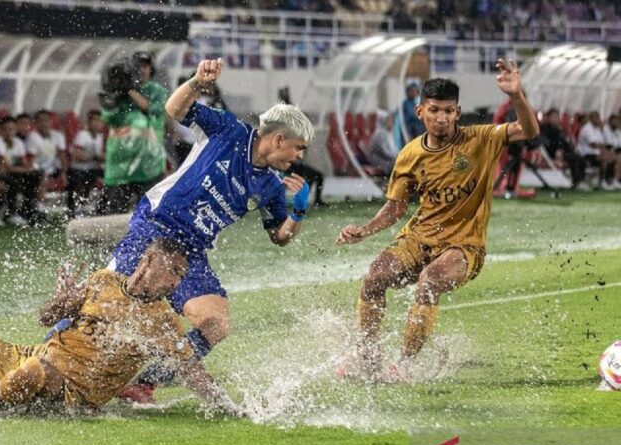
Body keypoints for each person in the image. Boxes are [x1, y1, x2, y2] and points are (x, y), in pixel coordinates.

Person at [111, 57, 314, 403]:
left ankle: (144, 383)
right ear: (279, 139)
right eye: (298, 149)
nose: (297, 158)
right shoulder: (229, 130)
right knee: (110, 301)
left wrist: (297, 211)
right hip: (155, 227)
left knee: (216, 324)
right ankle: (51, 356)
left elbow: (279, 237)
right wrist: (196, 82)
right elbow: (175, 110)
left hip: (191, 252)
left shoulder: (270, 185)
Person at [335, 59, 540, 382]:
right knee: (374, 277)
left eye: (448, 111)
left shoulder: (481, 139)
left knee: (429, 281)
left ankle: (403, 365)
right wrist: (365, 229)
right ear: (420, 113)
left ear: (457, 113)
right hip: (418, 239)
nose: (441, 118)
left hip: (464, 246)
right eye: (434, 110)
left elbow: (528, 130)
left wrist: (516, 96)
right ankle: (367, 356)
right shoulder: (410, 155)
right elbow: (395, 208)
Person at [0, 239, 240, 416]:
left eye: (179, 276)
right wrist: (59, 303)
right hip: (32, 357)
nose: (175, 281)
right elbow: (46, 319)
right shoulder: (103, 280)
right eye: (173, 271)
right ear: (147, 261)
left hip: (74, 392)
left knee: (34, 371)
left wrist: (227, 406)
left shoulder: (163, 320)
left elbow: (190, 369)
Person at [99, 51, 168, 215]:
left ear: (151, 69)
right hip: (119, 168)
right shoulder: (118, 93)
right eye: (137, 66)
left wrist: (130, 91)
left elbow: (153, 109)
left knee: (152, 215)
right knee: (113, 215)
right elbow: (108, 116)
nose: (141, 70)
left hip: (149, 166)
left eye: (145, 65)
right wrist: (116, 94)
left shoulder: (156, 90)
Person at [0, 116, 43, 225]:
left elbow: (24, 163)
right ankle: (12, 213)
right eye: (6, 129)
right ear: (0, 130)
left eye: (12, 129)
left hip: (13, 172)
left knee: (36, 175)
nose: (9, 132)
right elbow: (5, 167)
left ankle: (28, 209)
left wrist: (27, 170)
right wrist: (25, 170)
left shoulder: (18, 142)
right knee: (14, 181)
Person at [26, 109, 67, 215]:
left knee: (77, 175)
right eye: (41, 121)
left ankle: (74, 205)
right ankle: (40, 205)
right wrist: (41, 171)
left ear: (51, 122)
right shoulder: (33, 137)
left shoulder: (58, 135)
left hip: (54, 168)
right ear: (36, 123)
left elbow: (62, 155)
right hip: (38, 169)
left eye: (47, 120)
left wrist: (64, 173)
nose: (45, 124)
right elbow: (31, 160)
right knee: (42, 176)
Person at [67, 110, 105, 218]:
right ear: (89, 122)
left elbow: (100, 156)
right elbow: (77, 155)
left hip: (93, 169)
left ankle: (101, 209)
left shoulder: (99, 137)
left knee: (111, 182)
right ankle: (76, 208)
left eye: (100, 121)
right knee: (82, 182)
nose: (98, 123)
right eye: (95, 120)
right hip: (79, 169)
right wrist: (95, 157)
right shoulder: (82, 135)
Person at [365, 109, 398, 176]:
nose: (392, 122)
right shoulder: (380, 133)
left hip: (384, 159)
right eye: (389, 120)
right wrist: (396, 156)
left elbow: (392, 149)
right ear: (384, 121)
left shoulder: (387, 133)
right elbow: (384, 151)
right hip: (378, 160)